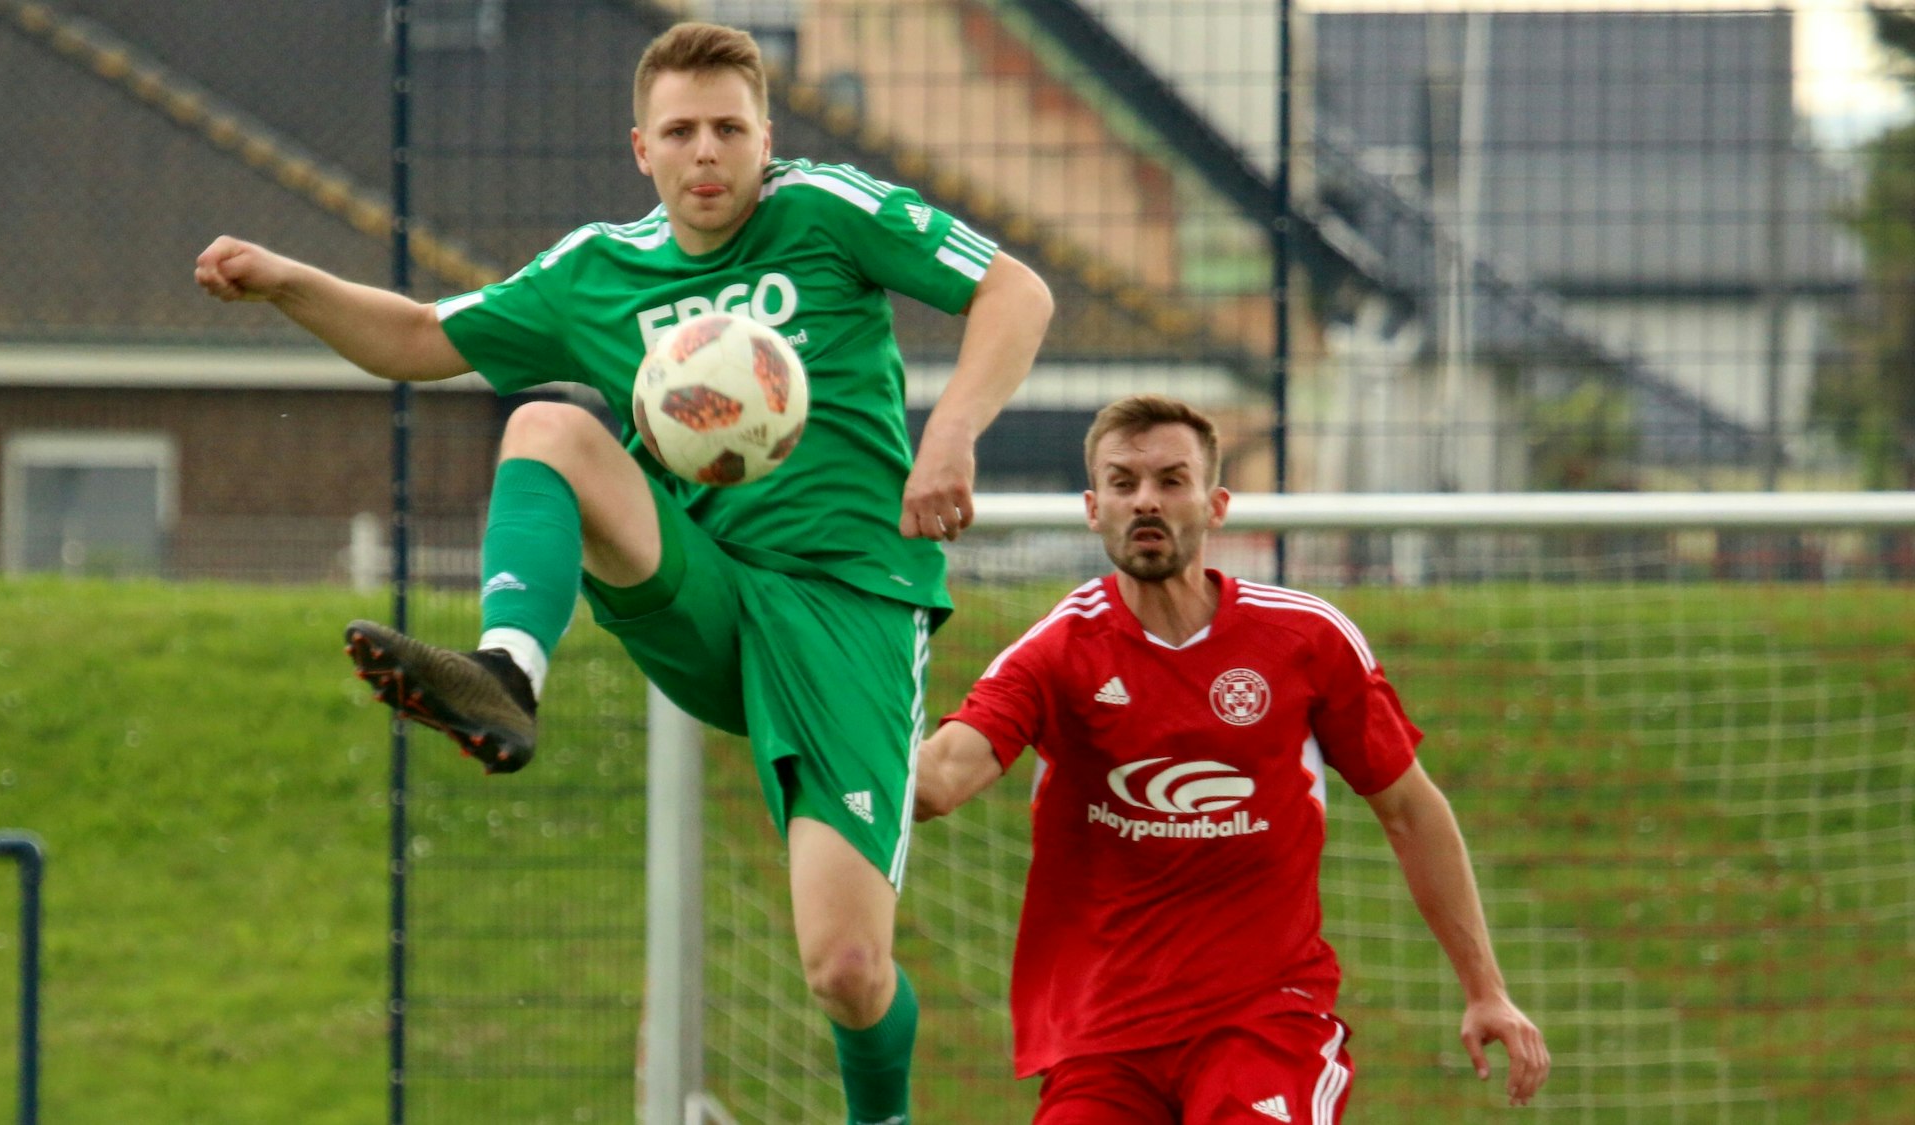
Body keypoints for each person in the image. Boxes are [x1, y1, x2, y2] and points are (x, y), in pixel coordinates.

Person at [195, 22, 1053, 1125]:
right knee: (549, 427)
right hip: (703, 588)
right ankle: (506, 672)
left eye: (729, 130)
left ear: (765, 139)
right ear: (639, 147)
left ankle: (877, 1117)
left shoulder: (825, 212)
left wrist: (949, 439)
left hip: (851, 606)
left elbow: (1014, 292)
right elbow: (416, 337)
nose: (708, 153)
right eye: (682, 131)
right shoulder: (594, 270)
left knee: (844, 968)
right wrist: (282, 281)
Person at [914, 396, 1548, 1123]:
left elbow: (1409, 808)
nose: (1146, 499)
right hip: (1102, 1037)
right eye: (1123, 483)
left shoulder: (1306, 638)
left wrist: (1485, 988)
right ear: (1093, 508)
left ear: (1216, 504)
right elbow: (939, 781)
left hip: (1264, 1017)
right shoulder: (1056, 652)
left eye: (1171, 480)